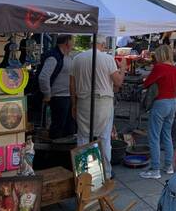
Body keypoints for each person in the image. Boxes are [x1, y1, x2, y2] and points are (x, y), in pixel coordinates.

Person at [71, 35, 125, 179]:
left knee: (83, 137)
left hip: (83, 101)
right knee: (104, 138)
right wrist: (123, 68)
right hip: (103, 102)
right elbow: (118, 82)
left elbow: (72, 85)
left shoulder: (77, 58)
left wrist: (73, 104)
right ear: (102, 44)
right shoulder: (107, 59)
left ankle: (83, 174)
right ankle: (106, 173)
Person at [139, 45, 176, 179]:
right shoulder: (175, 68)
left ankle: (155, 169)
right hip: (173, 102)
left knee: (154, 136)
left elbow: (147, 83)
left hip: (161, 103)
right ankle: (169, 166)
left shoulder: (159, 67)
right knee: (167, 135)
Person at [39, 34, 75, 139]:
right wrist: (47, 94)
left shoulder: (67, 56)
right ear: (67, 42)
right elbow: (43, 77)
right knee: (58, 127)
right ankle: (54, 152)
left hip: (67, 96)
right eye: (72, 41)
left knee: (69, 128)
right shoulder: (53, 56)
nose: (73, 44)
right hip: (58, 97)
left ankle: (65, 153)